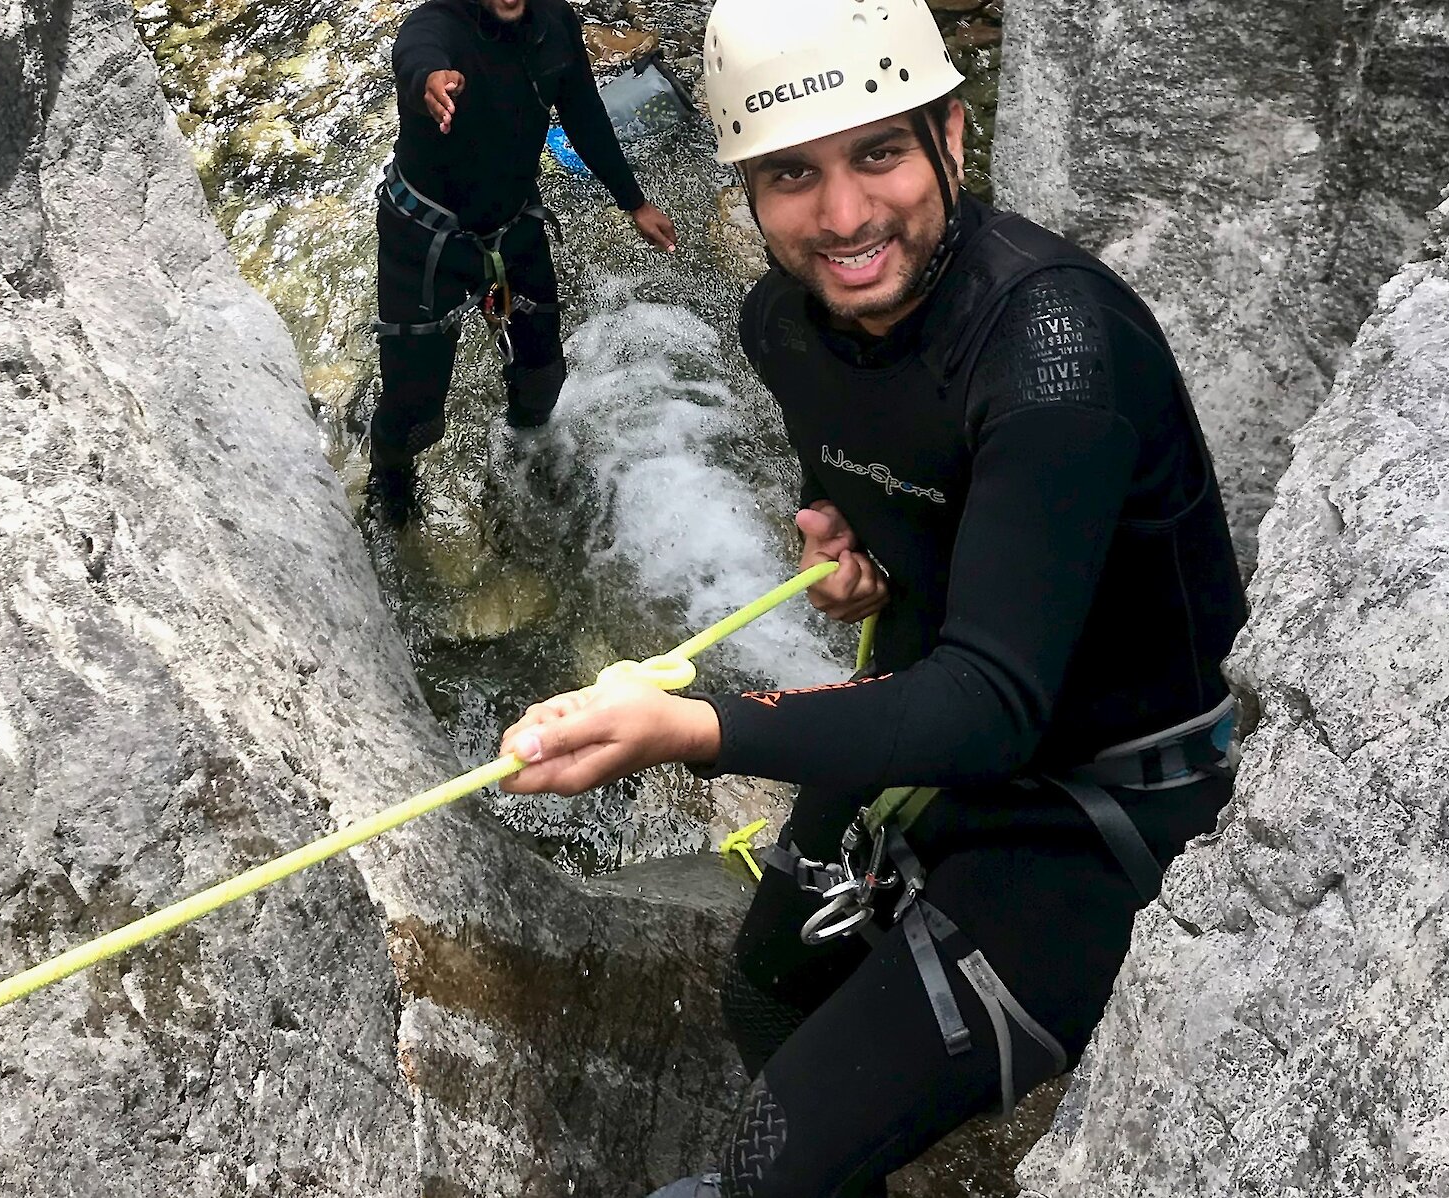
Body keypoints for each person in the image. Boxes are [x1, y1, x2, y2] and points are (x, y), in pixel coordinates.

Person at [495, 0, 1250, 1191]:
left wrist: (697, 730)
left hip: (1097, 810)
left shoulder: (1054, 349)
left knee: (758, 1169)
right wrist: (863, 544)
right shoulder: (783, 329)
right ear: (743, 185)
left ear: (952, 136)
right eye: (791, 173)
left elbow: (996, 701)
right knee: (758, 994)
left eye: (878, 153)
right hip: (932, 718)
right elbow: (881, 478)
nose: (842, 217)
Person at [367, 0, 679, 525]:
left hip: (514, 226)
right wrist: (430, 84)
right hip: (425, 241)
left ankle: (527, 453)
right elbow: (418, 57)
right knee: (416, 405)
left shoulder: (554, 23)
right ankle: (391, 477)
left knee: (544, 373)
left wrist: (634, 202)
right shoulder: (435, 25)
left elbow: (583, 113)